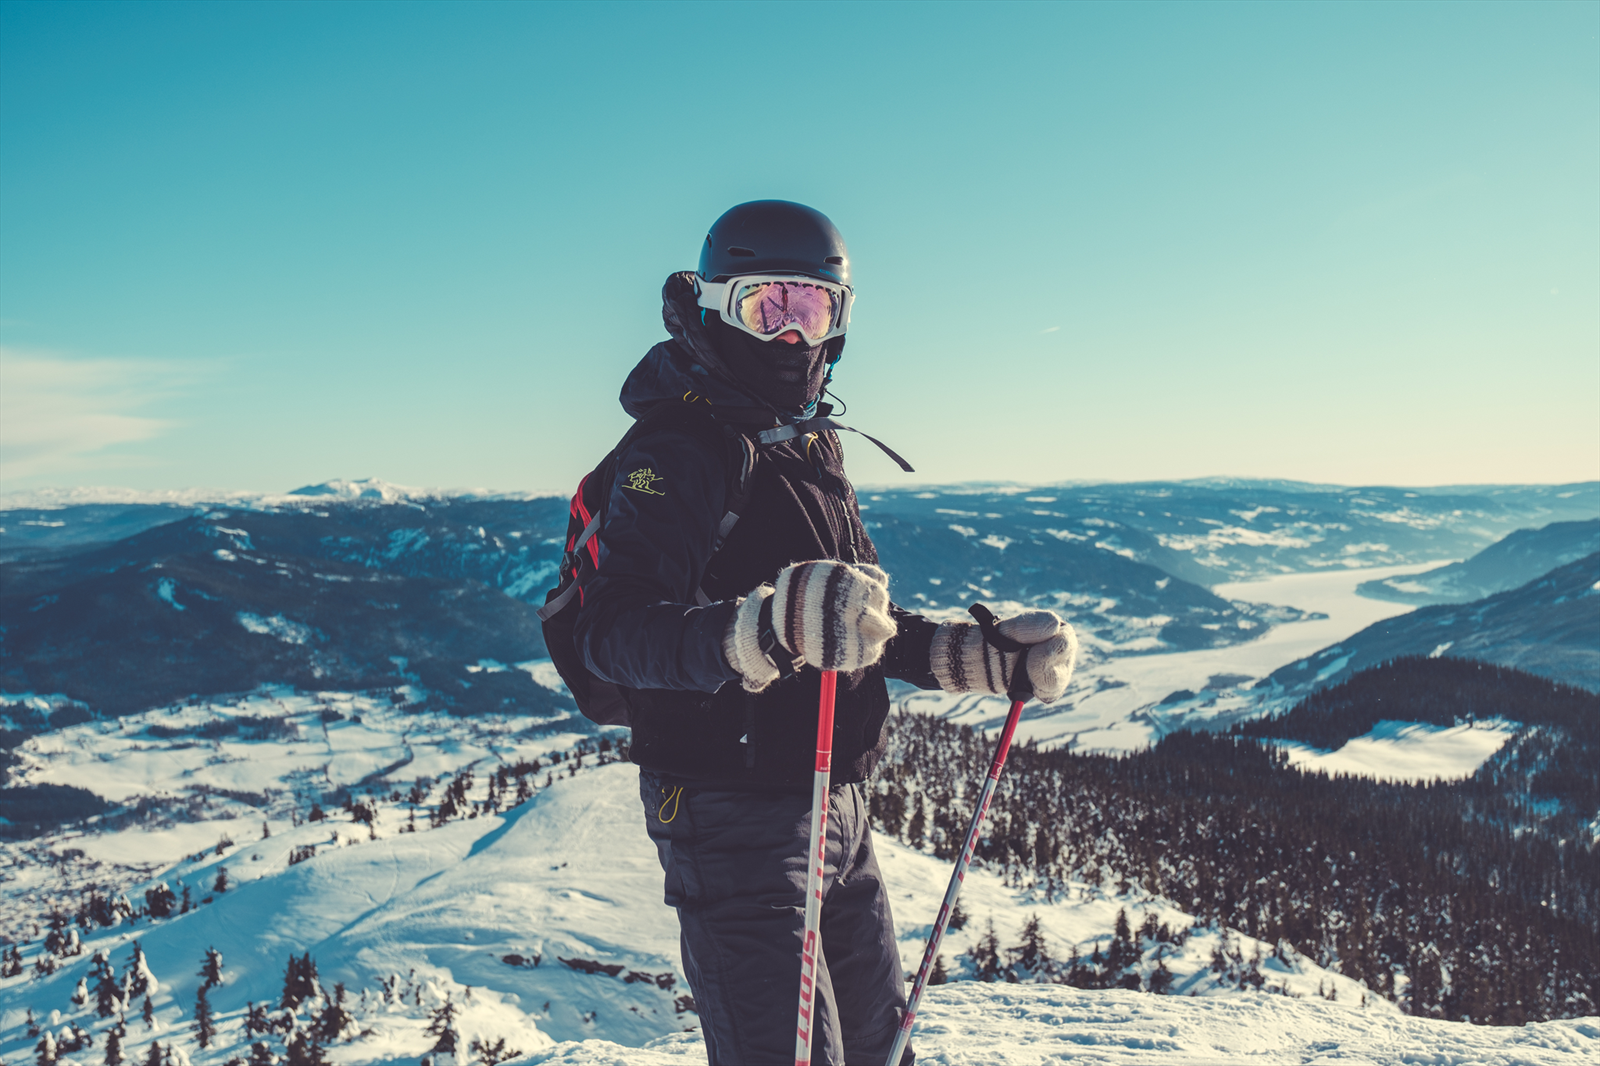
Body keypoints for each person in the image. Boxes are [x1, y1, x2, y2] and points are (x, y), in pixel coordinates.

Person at [575, 200, 1078, 1066]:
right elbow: (614, 631)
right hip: (729, 813)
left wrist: (975, 659)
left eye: (812, 310)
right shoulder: (679, 447)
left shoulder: (809, 447)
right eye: (765, 307)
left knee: (882, 1053)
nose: (789, 336)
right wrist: (759, 632)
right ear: (714, 305)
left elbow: (857, 625)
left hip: (834, 804)